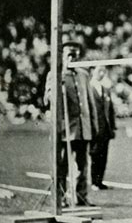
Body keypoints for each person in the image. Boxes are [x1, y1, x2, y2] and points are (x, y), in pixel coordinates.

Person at [44, 40, 98, 207]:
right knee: (63, 166)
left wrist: (94, 125)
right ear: (62, 55)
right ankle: (59, 199)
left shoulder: (83, 75)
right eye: (69, 53)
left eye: (75, 54)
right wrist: (56, 91)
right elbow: (46, 100)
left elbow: (90, 102)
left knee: (83, 166)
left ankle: (81, 197)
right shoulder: (55, 74)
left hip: (83, 128)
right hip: (65, 128)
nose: (72, 57)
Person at [89, 65, 116, 191]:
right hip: (94, 128)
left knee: (103, 156)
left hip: (105, 129)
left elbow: (110, 110)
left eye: (103, 71)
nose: (102, 73)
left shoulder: (105, 89)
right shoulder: (89, 88)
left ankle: (99, 181)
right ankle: (93, 181)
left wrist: (112, 126)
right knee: (94, 155)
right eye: (99, 70)